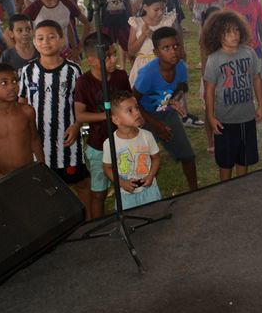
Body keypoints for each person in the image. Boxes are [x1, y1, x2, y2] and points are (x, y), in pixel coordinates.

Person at [18, 20, 91, 209]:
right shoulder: (28, 71)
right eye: (40, 38)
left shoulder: (73, 70)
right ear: (34, 42)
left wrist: (77, 126)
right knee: (44, 186)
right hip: (39, 141)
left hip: (68, 140)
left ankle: (89, 221)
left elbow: (82, 104)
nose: (46, 42)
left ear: (61, 40)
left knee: (82, 184)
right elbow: (22, 102)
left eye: (51, 37)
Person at [74, 32, 133, 219]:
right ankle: (97, 223)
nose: (113, 59)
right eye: (107, 56)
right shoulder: (84, 83)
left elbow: (130, 102)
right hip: (99, 145)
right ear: (91, 60)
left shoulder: (121, 76)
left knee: (126, 185)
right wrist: (108, 115)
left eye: (114, 54)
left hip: (124, 141)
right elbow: (79, 114)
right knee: (99, 192)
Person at [134, 27, 199, 190]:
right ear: (156, 52)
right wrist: (156, 125)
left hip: (167, 115)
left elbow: (180, 87)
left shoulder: (181, 67)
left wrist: (175, 101)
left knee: (188, 155)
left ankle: (195, 191)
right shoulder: (148, 74)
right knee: (142, 162)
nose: (173, 51)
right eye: (166, 48)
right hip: (144, 118)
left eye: (176, 46)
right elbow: (134, 102)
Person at [202, 10, 262, 180]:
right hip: (225, 121)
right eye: (228, 32)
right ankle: (225, 190)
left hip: (246, 117)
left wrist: (261, 105)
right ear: (218, 35)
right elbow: (209, 90)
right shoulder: (214, 59)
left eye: (236, 30)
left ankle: (241, 188)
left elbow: (257, 78)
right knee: (225, 161)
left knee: (244, 159)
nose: (234, 35)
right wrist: (210, 116)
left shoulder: (249, 53)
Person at [0, 63, 44, 183]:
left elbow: (35, 140)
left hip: (29, 173)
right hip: (2, 178)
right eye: (4, 83)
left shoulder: (27, 111)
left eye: (14, 81)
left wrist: (42, 166)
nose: (12, 86)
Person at [102, 90, 163, 210]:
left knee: (155, 216)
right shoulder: (110, 143)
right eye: (130, 110)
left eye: (137, 108)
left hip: (149, 190)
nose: (136, 113)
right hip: (125, 195)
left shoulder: (147, 136)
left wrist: (151, 175)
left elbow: (156, 158)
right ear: (116, 119)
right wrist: (121, 183)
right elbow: (107, 168)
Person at [127, 0, 177, 85]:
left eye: (163, 9)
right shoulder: (137, 23)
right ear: (145, 7)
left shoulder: (167, 22)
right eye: (156, 9)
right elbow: (131, 51)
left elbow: (174, 44)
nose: (160, 13)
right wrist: (143, 36)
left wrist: (154, 36)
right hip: (142, 67)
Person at [95, 0, 134, 68]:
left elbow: (128, 3)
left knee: (129, 49)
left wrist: (131, 20)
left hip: (123, 22)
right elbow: (98, 5)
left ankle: (134, 71)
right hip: (108, 23)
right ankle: (109, 70)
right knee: (108, 50)